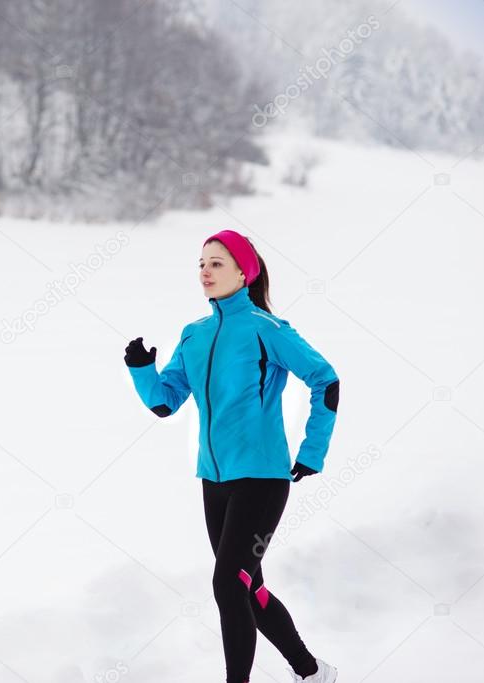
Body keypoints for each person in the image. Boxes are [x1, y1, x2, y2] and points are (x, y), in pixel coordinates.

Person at [123, 229, 340, 683]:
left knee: (228, 585)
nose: (205, 270)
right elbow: (166, 402)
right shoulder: (194, 335)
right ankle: (313, 672)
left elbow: (326, 380)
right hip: (214, 481)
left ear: (245, 273)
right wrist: (142, 370)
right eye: (202, 263)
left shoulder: (268, 330)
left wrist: (312, 450)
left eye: (217, 263)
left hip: (262, 479)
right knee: (249, 588)